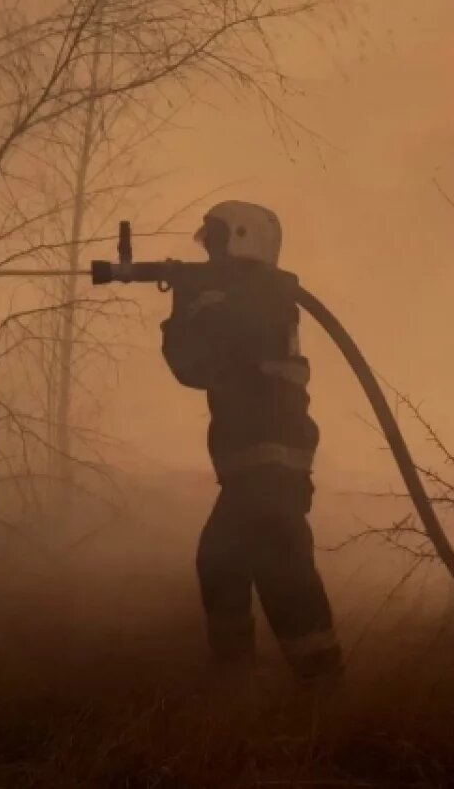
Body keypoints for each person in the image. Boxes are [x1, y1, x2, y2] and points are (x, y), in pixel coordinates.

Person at [160, 200, 342, 681]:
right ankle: (237, 681)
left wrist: (188, 299)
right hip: (252, 465)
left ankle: (323, 692)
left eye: (215, 245)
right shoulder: (246, 294)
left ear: (242, 239)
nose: (208, 256)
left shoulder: (259, 296)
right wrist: (191, 296)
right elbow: (197, 366)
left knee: (280, 572)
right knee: (221, 561)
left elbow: (197, 358)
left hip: (270, 464)